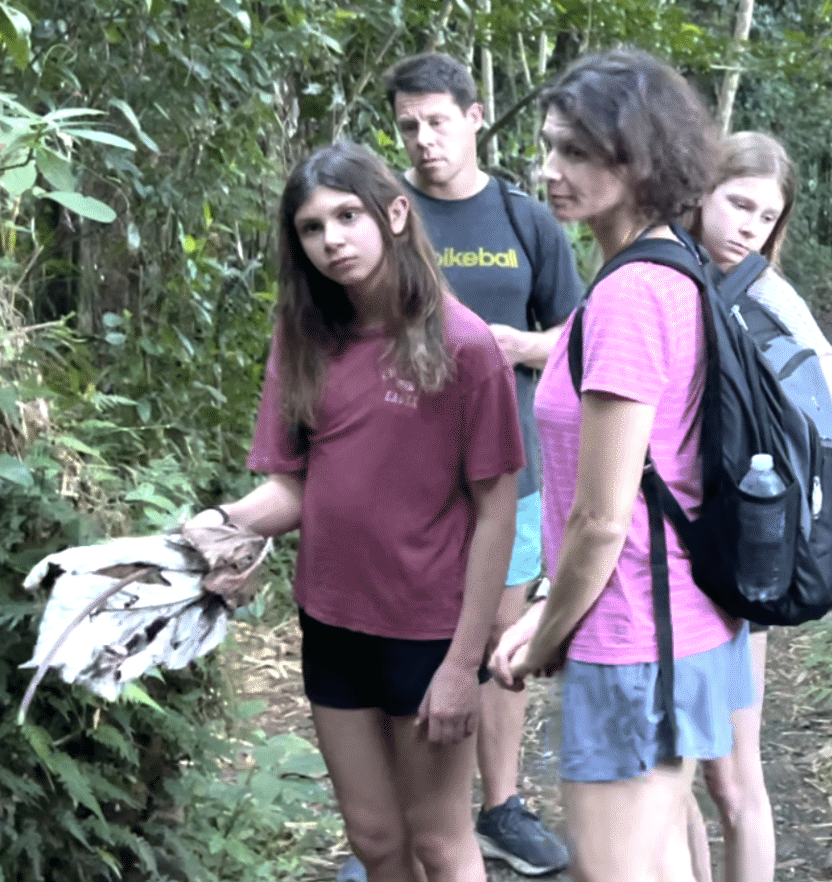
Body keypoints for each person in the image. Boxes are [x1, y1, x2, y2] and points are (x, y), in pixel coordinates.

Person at [185, 143, 524, 882]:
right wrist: (213, 527)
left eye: (348, 215)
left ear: (395, 215)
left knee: (440, 841)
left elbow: (497, 508)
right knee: (374, 840)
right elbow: (294, 486)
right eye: (312, 227)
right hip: (332, 621)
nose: (332, 238)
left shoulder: (464, 346)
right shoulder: (304, 338)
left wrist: (464, 665)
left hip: (428, 633)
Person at [491, 48, 750, 882]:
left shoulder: (634, 294)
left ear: (637, 159)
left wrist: (543, 634)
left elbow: (602, 520)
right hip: (661, 627)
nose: (550, 171)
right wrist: (543, 609)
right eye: (547, 148)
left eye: (574, 151)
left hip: (636, 635)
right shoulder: (661, 268)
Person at [381, 51, 582, 878]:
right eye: (408, 127)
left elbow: (581, 337)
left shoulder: (525, 219)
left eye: (437, 121)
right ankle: (408, 821)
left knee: (501, 643)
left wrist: (516, 346)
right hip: (406, 476)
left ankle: (501, 806)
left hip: (514, 471)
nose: (425, 140)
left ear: (473, 118)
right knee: (405, 638)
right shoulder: (390, 217)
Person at [679, 132, 832, 882]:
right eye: (737, 203)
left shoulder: (768, 294)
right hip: (674, 547)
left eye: (765, 217)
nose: (747, 227)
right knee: (676, 780)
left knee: (732, 778)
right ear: (700, 190)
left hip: (744, 543)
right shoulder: (665, 274)